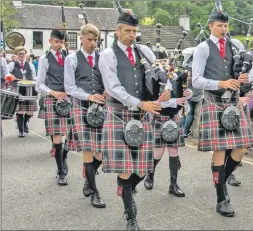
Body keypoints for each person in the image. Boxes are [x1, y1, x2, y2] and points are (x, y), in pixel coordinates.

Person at [98, 11, 169, 230]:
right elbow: (113, 88)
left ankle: (124, 189)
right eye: (127, 31)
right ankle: (131, 216)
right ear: (117, 31)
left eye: (134, 31)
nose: (132, 35)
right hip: (119, 113)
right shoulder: (107, 55)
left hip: (142, 114)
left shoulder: (145, 50)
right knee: (125, 168)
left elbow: (160, 74)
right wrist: (140, 104)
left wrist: (164, 90)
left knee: (141, 169)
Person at [191, 10, 253, 217]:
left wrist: (246, 77)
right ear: (211, 25)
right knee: (219, 150)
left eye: (226, 26)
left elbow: (252, 70)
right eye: (220, 25)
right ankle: (221, 198)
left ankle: (223, 179)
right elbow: (196, 80)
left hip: (233, 101)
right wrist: (220, 83)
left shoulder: (236, 45)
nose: (224, 29)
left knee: (242, 147)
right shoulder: (202, 48)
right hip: (213, 99)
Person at [64, 23, 106, 208]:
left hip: (101, 108)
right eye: (89, 40)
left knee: (101, 152)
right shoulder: (71, 59)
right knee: (88, 150)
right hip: (81, 106)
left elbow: (109, 81)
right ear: (81, 38)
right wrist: (89, 96)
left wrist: (107, 93)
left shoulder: (103, 58)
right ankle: (95, 194)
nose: (93, 43)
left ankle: (88, 180)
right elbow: (69, 87)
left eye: (95, 40)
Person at [143, 47, 192, 198]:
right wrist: (174, 101)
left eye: (165, 60)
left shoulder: (175, 76)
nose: (163, 63)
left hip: (173, 118)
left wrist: (187, 94)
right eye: (160, 60)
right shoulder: (151, 78)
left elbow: (182, 94)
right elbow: (154, 102)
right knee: (158, 152)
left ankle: (173, 184)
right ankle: (150, 174)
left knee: (173, 151)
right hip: (159, 117)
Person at [35, 29, 70, 185]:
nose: (59, 45)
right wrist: (53, 92)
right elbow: (39, 84)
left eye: (61, 42)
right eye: (57, 42)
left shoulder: (68, 57)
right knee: (57, 136)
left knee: (71, 136)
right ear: (50, 41)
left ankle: (63, 156)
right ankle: (61, 172)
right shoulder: (44, 59)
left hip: (68, 99)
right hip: (53, 99)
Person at [8, 46, 37, 137]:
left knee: (30, 111)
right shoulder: (12, 65)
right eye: (19, 53)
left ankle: (24, 124)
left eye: (23, 53)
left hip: (29, 89)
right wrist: (10, 77)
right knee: (20, 111)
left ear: (25, 54)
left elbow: (34, 77)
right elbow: (7, 74)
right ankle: (21, 131)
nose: (21, 55)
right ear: (16, 55)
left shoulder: (30, 65)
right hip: (17, 89)